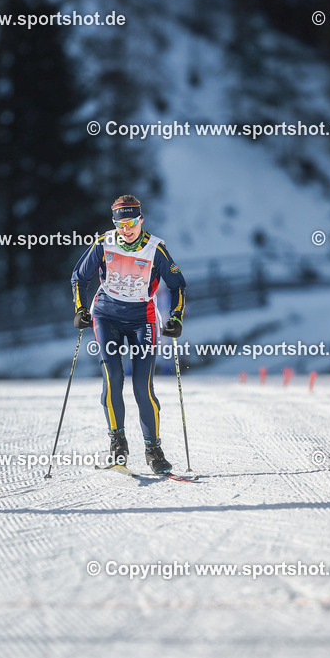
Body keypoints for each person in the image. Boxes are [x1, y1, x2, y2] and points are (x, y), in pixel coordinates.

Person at [71, 195, 187, 474]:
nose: (126, 228)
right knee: (112, 379)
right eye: (120, 223)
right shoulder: (103, 243)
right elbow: (79, 277)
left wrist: (175, 318)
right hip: (106, 315)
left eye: (131, 222)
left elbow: (178, 286)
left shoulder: (156, 249)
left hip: (141, 319)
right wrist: (80, 309)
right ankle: (118, 442)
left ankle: (153, 449)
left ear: (141, 220)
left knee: (142, 387)